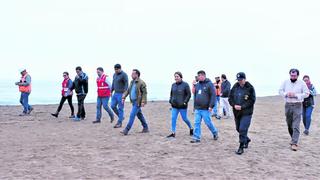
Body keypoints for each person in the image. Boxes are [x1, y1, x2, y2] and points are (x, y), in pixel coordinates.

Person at [279, 68, 309, 151]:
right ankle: (293, 138)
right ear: (290, 75)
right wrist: (286, 94)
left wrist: (296, 95)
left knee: (296, 124)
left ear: (297, 75)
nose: (293, 77)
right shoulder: (285, 82)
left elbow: (307, 93)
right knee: (289, 124)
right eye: (291, 75)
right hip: (288, 105)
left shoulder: (302, 83)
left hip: (297, 105)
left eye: (294, 75)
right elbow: (280, 91)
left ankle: (294, 143)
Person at [228, 72, 256, 155]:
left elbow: (252, 100)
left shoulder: (250, 88)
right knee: (238, 128)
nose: (239, 81)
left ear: (244, 79)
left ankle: (241, 146)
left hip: (246, 112)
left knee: (242, 129)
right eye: (238, 80)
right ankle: (246, 140)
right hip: (236, 112)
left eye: (241, 80)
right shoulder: (235, 87)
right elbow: (230, 98)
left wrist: (242, 106)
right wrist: (233, 105)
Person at [190, 70, 219, 143]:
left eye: (200, 75)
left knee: (208, 123)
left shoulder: (209, 84)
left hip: (206, 108)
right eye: (198, 76)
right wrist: (194, 107)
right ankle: (196, 137)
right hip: (198, 108)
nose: (198, 77)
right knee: (196, 123)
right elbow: (195, 95)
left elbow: (213, 96)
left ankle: (215, 132)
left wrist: (211, 106)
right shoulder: (197, 85)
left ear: (204, 76)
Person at [120, 69, 149, 135]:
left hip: (137, 102)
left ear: (137, 74)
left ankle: (126, 130)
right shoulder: (132, 82)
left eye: (133, 74)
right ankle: (145, 127)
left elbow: (144, 93)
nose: (131, 75)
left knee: (132, 115)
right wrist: (124, 96)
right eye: (131, 73)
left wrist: (143, 102)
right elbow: (128, 90)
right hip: (133, 102)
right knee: (140, 115)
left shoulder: (141, 83)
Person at [167, 72, 193, 138]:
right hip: (174, 106)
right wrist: (170, 100)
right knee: (173, 118)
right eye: (175, 76)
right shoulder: (173, 85)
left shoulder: (185, 85)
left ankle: (191, 128)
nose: (176, 78)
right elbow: (171, 94)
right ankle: (173, 133)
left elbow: (189, 95)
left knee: (184, 119)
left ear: (181, 77)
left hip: (182, 106)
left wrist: (185, 102)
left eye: (177, 76)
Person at [111, 64, 129, 128]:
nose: (115, 71)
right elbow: (113, 83)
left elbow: (126, 84)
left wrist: (124, 94)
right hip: (115, 93)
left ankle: (119, 123)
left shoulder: (124, 75)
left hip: (121, 94)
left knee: (120, 108)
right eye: (115, 69)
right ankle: (121, 117)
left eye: (116, 69)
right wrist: (111, 91)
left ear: (120, 69)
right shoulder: (114, 74)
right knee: (112, 106)